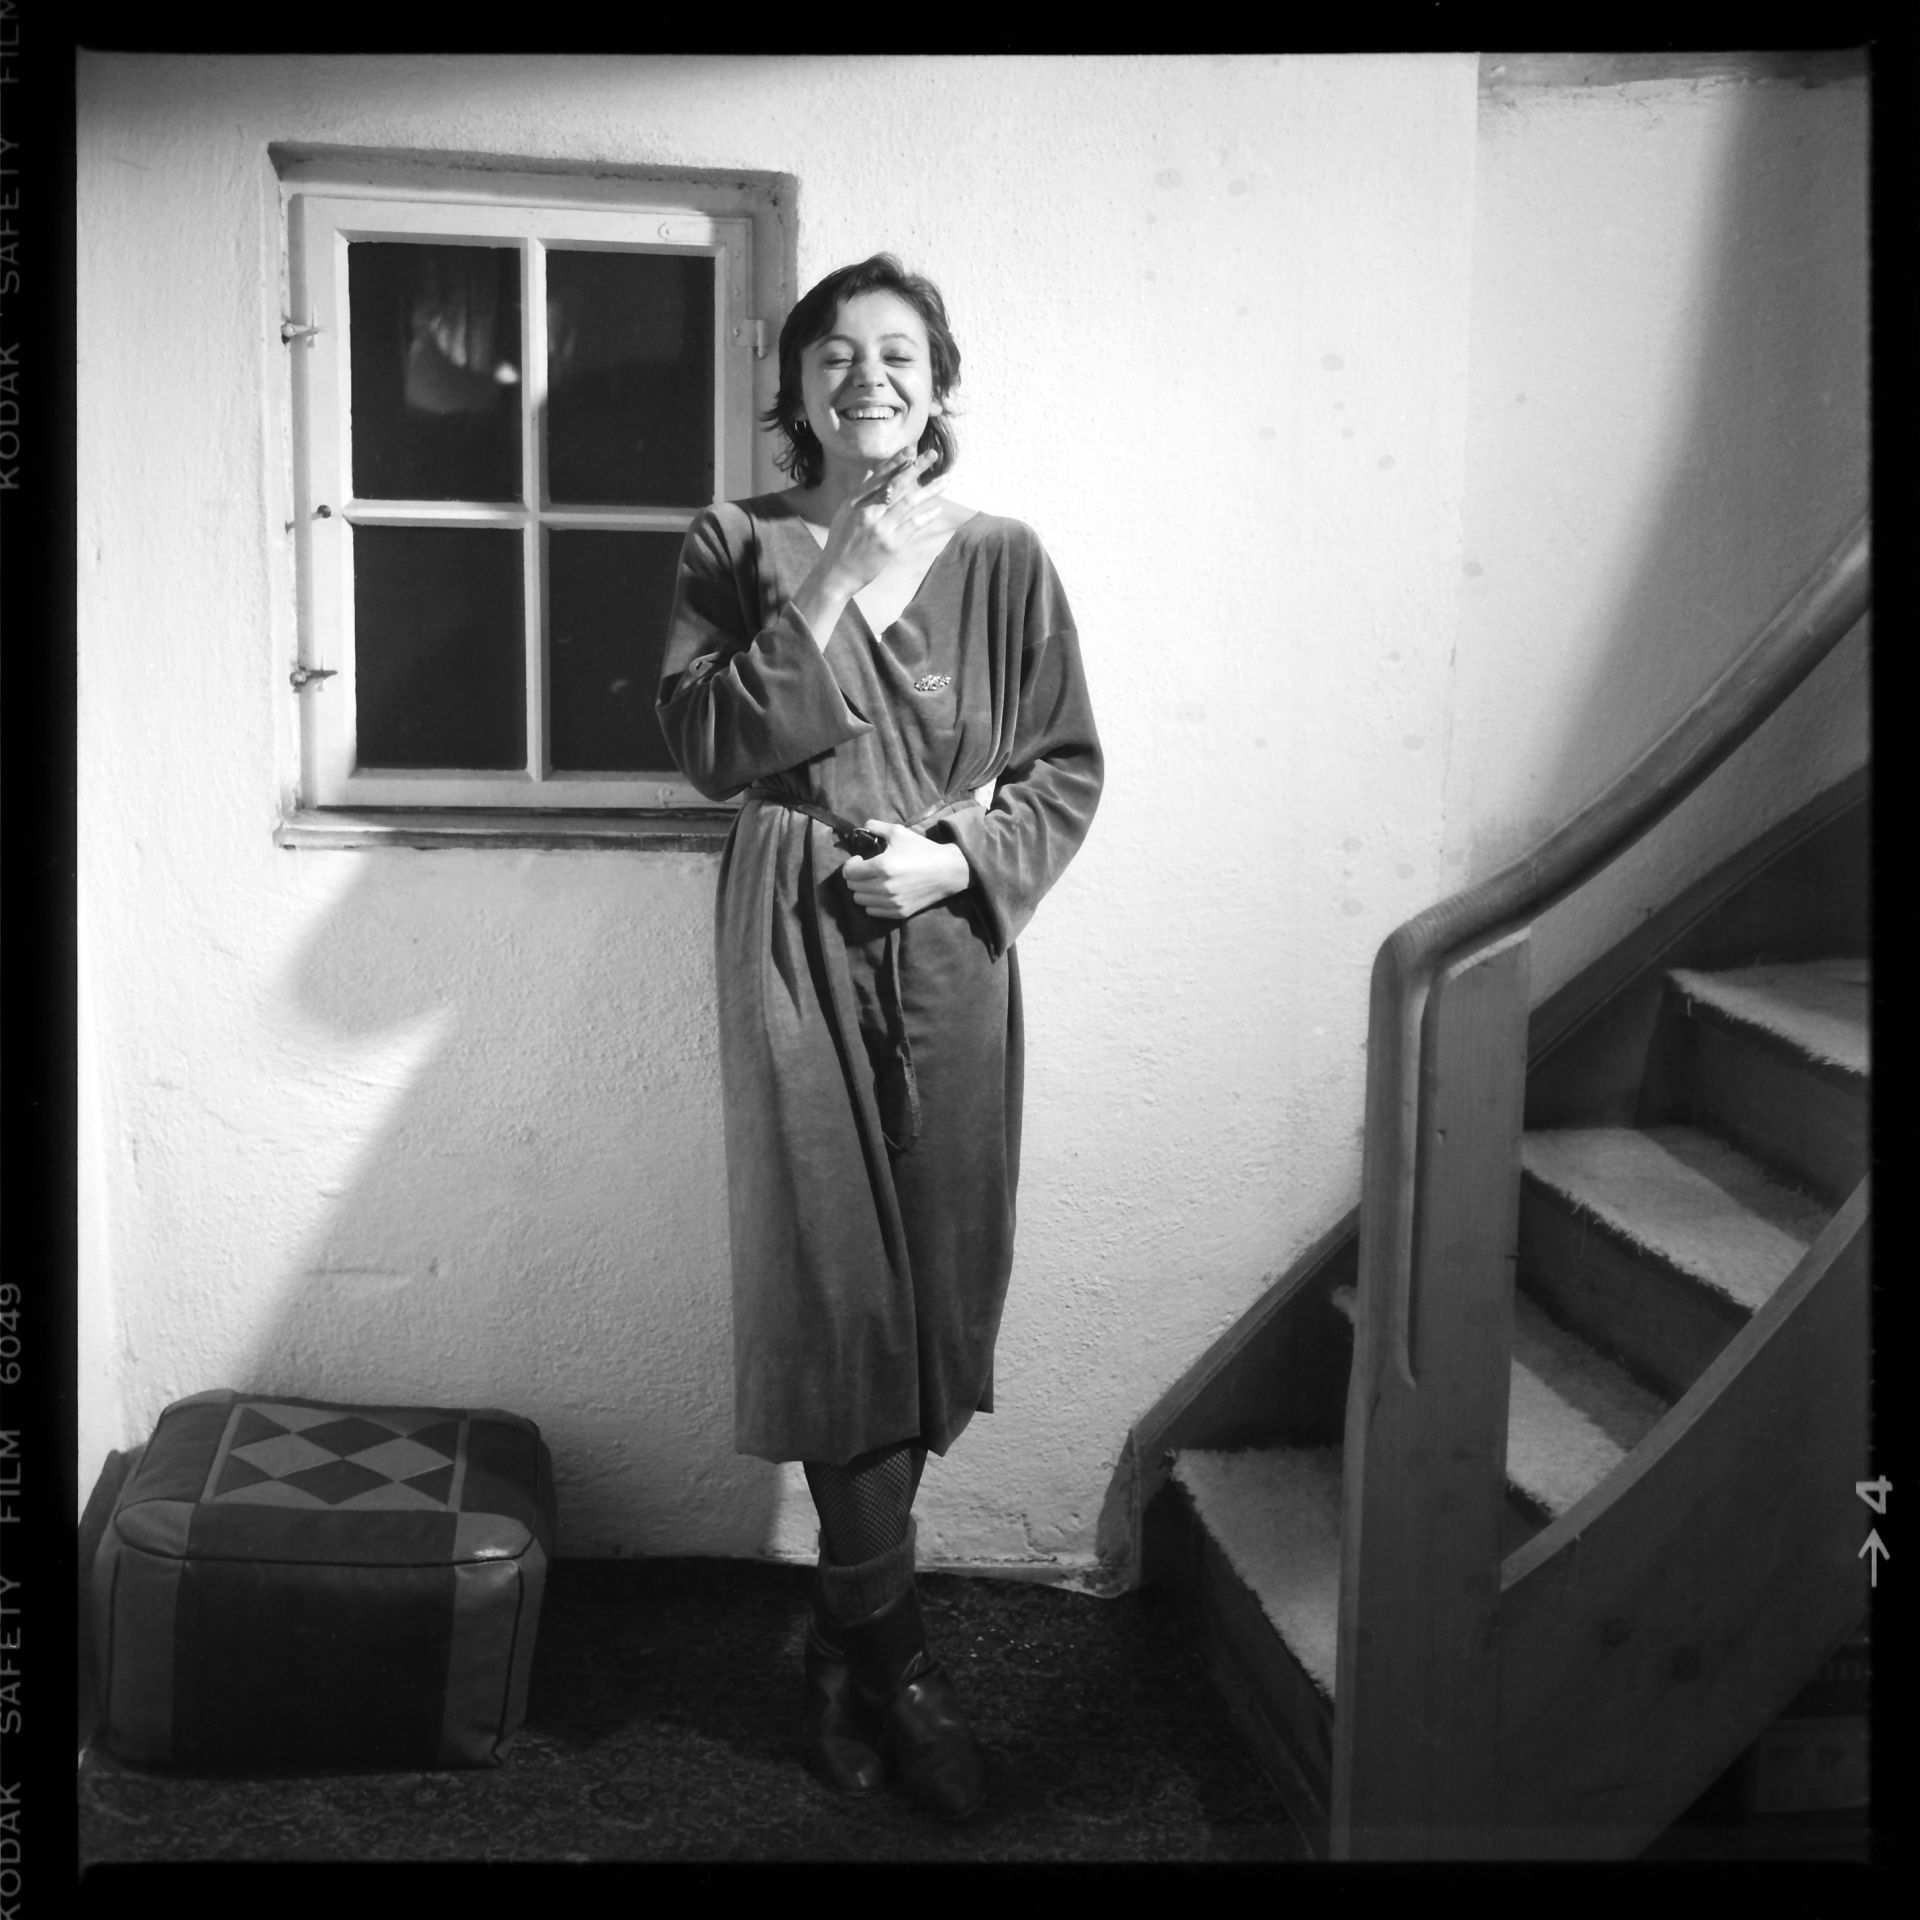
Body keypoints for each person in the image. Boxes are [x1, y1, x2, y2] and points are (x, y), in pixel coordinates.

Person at [657, 255, 1103, 1820]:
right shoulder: (732, 544)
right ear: (793, 388)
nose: (869, 374)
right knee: (835, 1288)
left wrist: (958, 864)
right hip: (791, 924)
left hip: (950, 946)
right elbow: (707, 743)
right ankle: (901, 1668)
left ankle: (846, 1652)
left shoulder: (1008, 559)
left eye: (899, 351)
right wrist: (836, 578)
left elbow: (1064, 769)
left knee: (934, 1282)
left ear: (939, 380)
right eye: (835, 352)